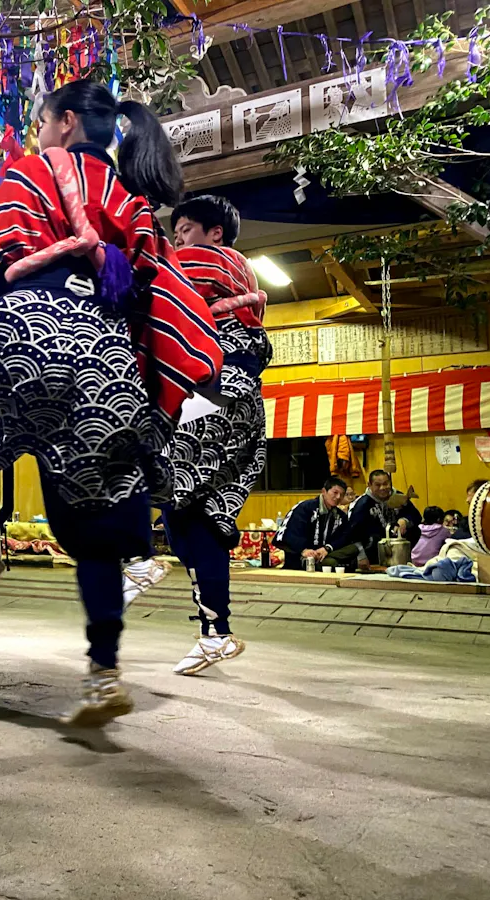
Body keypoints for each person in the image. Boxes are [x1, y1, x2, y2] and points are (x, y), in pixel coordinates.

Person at [0, 80, 222, 724]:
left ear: (64, 123)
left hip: (28, 336)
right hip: (102, 357)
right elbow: (150, 288)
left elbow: (4, 253)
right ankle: (102, 675)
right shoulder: (132, 199)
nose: (37, 135)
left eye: (40, 123)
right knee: (96, 531)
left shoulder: (30, 172)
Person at [147, 194, 270, 676]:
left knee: (173, 503)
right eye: (175, 232)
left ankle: (212, 627)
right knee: (202, 518)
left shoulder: (202, 260)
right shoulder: (241, 270)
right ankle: (214, 632)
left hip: (209, 394)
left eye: (186, 228)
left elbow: (153, 294)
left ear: (215, 232)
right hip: (241, 403)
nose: (178, 238)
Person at [336, 470, 422, 571]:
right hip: (373, 549)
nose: (382, 488)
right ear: (370, 485)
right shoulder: (362, 504)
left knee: (416, 530)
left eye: (385, 484)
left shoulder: (399, 497)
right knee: (373, 539)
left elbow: (417, 517)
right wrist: (361, 556)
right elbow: (353, 534)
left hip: (398, 545)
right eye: (378, 485)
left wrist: (405, 521)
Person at [275, 476, 350, 570]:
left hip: (324, 553)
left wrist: (327, 548)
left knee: (355, 548)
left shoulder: (340, 515)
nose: (338, 497)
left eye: (342, 494)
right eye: (335, 492)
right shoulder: (305, 508)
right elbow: (286, 535)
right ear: (324, 491)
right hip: (302, 557)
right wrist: (303, 550)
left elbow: (345, 536)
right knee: (331, 563)